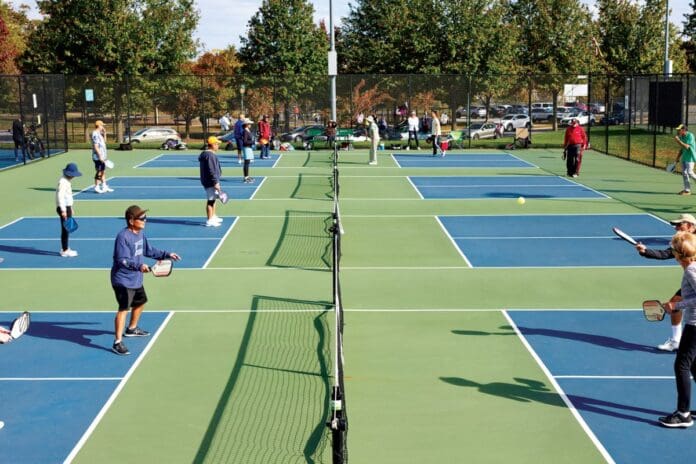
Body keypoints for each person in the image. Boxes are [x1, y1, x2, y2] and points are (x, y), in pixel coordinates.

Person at [110, 205, 181, 355]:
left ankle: (131, 329)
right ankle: (117, 342)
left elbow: (149, 250)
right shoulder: (123, 237)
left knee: (140, 302)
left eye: (145, 218)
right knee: (123, 309)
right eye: (141, 218)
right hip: (122, 280)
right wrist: (138, 266)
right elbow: (121, 260)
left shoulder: (140, 234)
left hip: (136, 278)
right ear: (131, 220)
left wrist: (167, 255)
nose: (145, 221)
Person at [637, 213, 696, 351]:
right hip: (692, 280)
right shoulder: (682, 241)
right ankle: (676, 341)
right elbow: (665, 254)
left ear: (691, 226)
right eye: (675, 225)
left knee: (677, 304)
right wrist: (645, 251)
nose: (676, 228)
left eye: (679, 224)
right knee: (675, 303)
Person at [657, 231, 696, 428]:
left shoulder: (691, 270)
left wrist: (676, 306)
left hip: (695, 327)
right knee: (695, 365)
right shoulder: (692, 267)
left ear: (678, 254)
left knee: (681, 365)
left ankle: (683, 414)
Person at [56, 163, 82, 258]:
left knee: (67, 229)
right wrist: (63, 210)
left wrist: (70, 207)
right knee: (65, 230)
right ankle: (65, 250)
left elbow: (68, 197)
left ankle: (65, 248)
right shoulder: (63, 182)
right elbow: (60, 196)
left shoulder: (66, 181)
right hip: (64, 208)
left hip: (67, 207)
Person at [198, 136, 224, 227]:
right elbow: (211, 169)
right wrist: (215, 182)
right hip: (210, 181)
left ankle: (213, 216)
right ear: (212, 145)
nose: (218, 146)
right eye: (216, 144)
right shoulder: (210, 155)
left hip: (211, 180)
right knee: (211, 200)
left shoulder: (209, 154)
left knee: (214, 198)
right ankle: (209, 220)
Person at [91, 120, 113, 193]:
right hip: (97, 157)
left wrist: (105, 133)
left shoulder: (99, 133)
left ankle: (104, 186)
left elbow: (104, 141)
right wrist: (100, 156)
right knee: (99, 171)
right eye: (102, 125)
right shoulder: (95, 134)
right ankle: (96, 187)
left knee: (103, 171)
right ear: (99, 126)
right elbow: (96, 146)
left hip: (103, 156)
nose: (103, 126)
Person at [674, 124, 696, 196]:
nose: (678, 131)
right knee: (684, 173)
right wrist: (678, 157)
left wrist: (678, 141)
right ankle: (687, 190)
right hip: (684, 158)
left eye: (679, 130)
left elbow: (687, 147)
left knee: (690, 172)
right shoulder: (682, 137)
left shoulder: (690, 136)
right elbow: (682, 148)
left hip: (690, 158)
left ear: (683, 130)